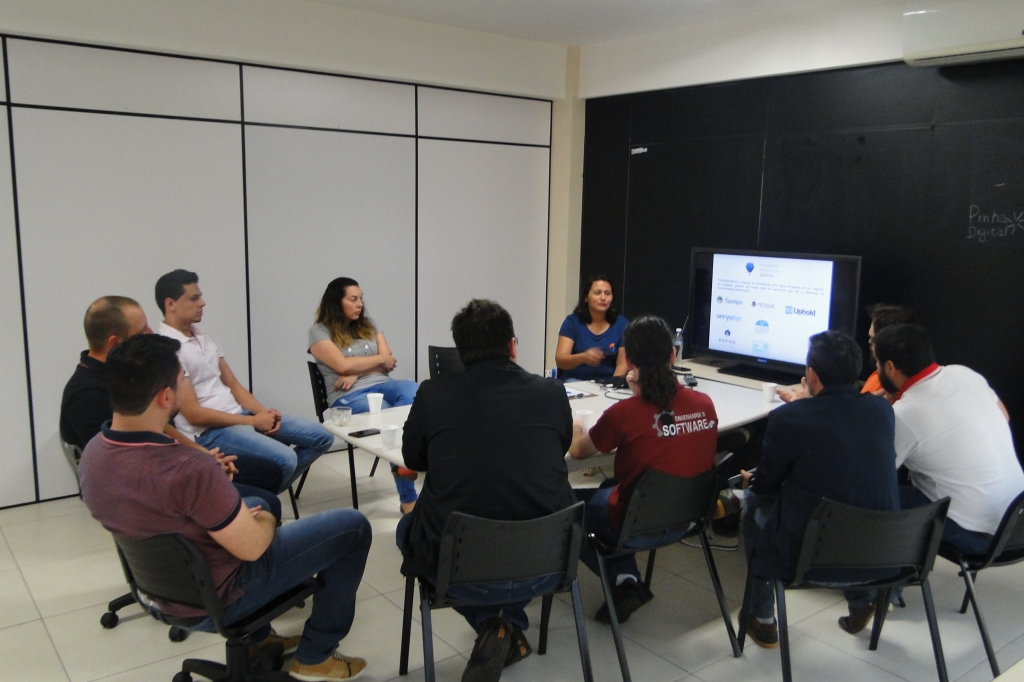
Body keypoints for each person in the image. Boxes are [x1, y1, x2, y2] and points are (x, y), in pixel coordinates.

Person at [78, 334, 371, 681]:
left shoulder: (93, 454)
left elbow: (163, 510)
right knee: (352, 527)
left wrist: (227, 498)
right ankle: (316, 657)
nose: (187, 383)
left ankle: (258, 642)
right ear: (165, 396)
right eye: (183, 378)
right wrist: (261, 518)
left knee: (257, 500)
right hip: (220, 597)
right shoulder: (188, 468)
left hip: (157, 590)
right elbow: (253, 546)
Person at [397, 299, 575, 682]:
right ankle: (505, 624)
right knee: (516, 517)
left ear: (460, 353)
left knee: (404, 530)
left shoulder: (433, 393)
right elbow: (557, 447)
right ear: (513, 346)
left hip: (458, 570)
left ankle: (491, 623)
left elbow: (413, 456)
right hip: (547, 561)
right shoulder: (550, 392)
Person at [741, 331, 899, 648]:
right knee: (851, 502)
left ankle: (763, 619)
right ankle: (860, 602)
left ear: (810, 375)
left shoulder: (789, 418)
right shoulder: (882, 412)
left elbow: (768, 485)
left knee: (753, 505)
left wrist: (751, 484)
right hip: (878, 557)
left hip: (810, 559)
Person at [60, 295, 283, 519]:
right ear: (115, 343)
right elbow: (125, 469)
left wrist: (203, 456)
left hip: (174, 461)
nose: (150, 333)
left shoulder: (124, 372)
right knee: (267, 501)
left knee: (268, 471)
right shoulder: (87, 397)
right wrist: (199, 468)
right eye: (141, 331)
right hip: (154, 487)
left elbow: (162, 428)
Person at [569, 316, 718, 623]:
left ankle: (624, 581)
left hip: (635, 522)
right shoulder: (705, 404)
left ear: (630, 362)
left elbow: (579, 452)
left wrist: (573, 428)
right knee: (609, 485)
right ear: (673, 356)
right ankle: (626, 579)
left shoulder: (624, 413)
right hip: (687, 517)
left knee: (571, 508)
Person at [157, 269, 333, 494]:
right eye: (194, 298)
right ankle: (258, 499)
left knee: (322, 437)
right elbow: (194, 414)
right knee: (286, 459)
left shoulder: (204, 337)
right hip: (210, 431)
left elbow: (233, 385)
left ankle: (261, 493)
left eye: (200, 296)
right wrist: (252, 422)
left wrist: (263, 413)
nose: (203, 302)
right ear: (170, 304)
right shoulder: (168, 347)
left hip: (239, 415)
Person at [872, 323, 1021, 555]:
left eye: (877, 363)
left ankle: (879, 584)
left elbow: (875, 475)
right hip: (1016, 524)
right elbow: (1004, 416)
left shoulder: (906, 414)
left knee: (873, 499)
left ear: (889, 367)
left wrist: (876, 412)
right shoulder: (964, 373)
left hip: (977, 537)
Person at [308, 277, 420, 514]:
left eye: (360, 299)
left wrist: (356, 371)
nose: (360, 304)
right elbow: (342, 365)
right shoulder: (319, 332)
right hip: (348, 397)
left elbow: (388, 360)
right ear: (336, 303)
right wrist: (370, 364)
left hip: (380, 384)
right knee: (391, 420)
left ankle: (406, 455)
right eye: (353, 299)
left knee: (414, 391)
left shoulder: (368, 324)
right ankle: (408, 498)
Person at [777, 302, 917, 403]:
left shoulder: (886, 385)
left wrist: (806, 405)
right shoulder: (885, 379)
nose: (869, 343)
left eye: (872, 338)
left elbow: (847, 421)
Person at [555, 275, 629, 381]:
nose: (603, 298)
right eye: (597, 293)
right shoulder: (572, 322)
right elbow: (560, 360)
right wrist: (583, 357)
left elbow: (622, 364)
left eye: (607, 293)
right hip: (575, 380)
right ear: (586, 297)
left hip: (607, 382)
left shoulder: (622, 324)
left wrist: (612, 387)